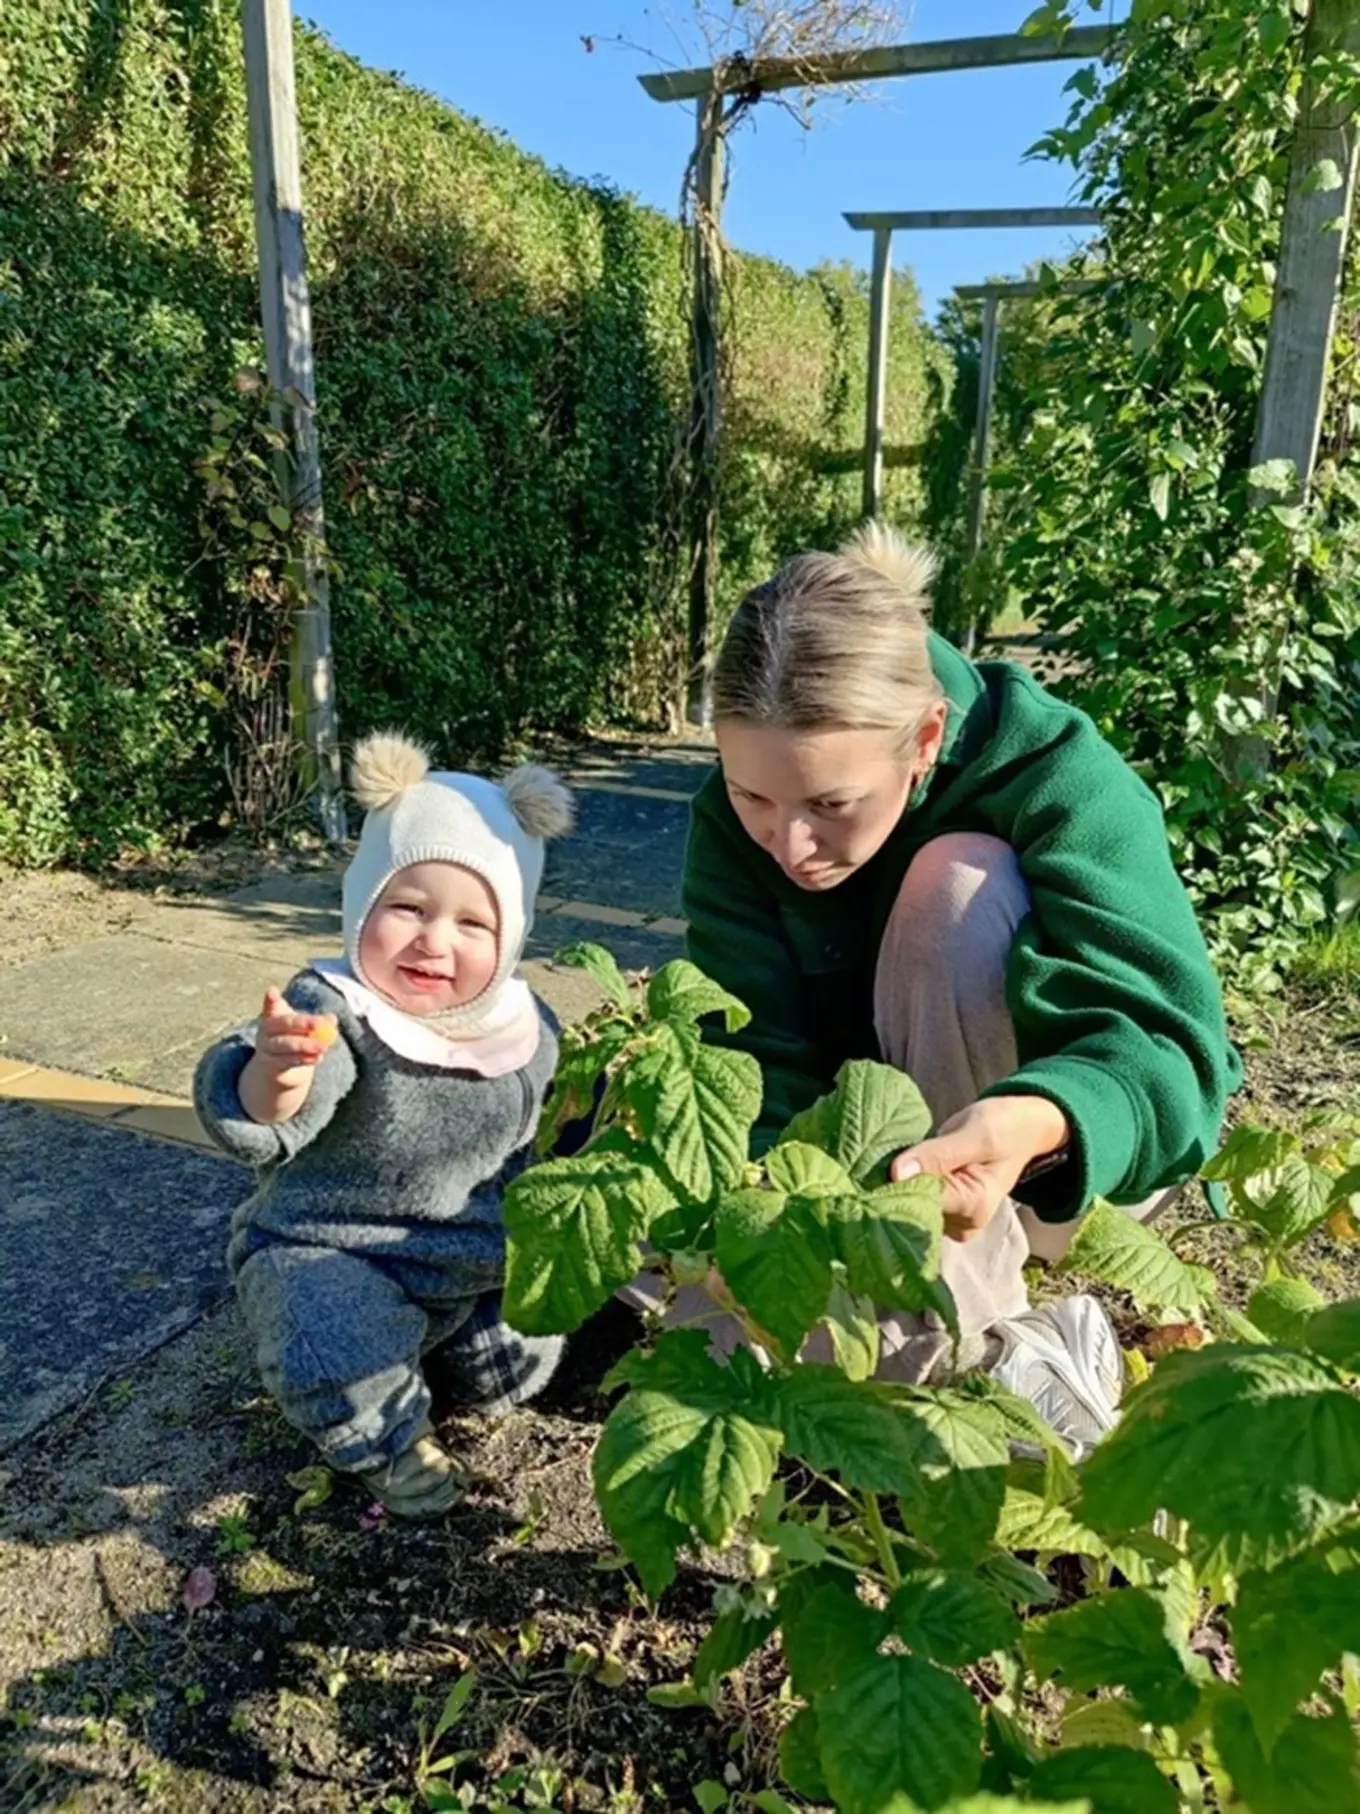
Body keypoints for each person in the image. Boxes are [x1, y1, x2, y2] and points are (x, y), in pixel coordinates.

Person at [683, 523, 1239, 1453]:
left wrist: (1039, 1122)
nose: (788, 846)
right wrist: (774, 1231)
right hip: (875, 1177)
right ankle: (1008, 1347)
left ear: (926, 736)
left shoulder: (1061, 776)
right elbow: (753, 1062)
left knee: (957, 884)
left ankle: (977, 1355)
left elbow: (1176, 1061)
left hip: (1058, 1176)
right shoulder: (731, 831)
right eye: (754, 799)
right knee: (700, 1327)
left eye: (829, 806)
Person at [194, 734, 573, 1518]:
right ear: (363, 900)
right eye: (407, 906)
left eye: (474, 924)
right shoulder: (334, 1008)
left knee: (529, 1341)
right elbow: (265, 1110)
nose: (435, 939)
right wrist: (280, 1072)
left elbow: (542, 1130)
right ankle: (389, 1441)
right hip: (341, 1248)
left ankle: (476, 1367)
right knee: (323, 1329)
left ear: (513, 938)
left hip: (471, 1262)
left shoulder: (523, 1022)